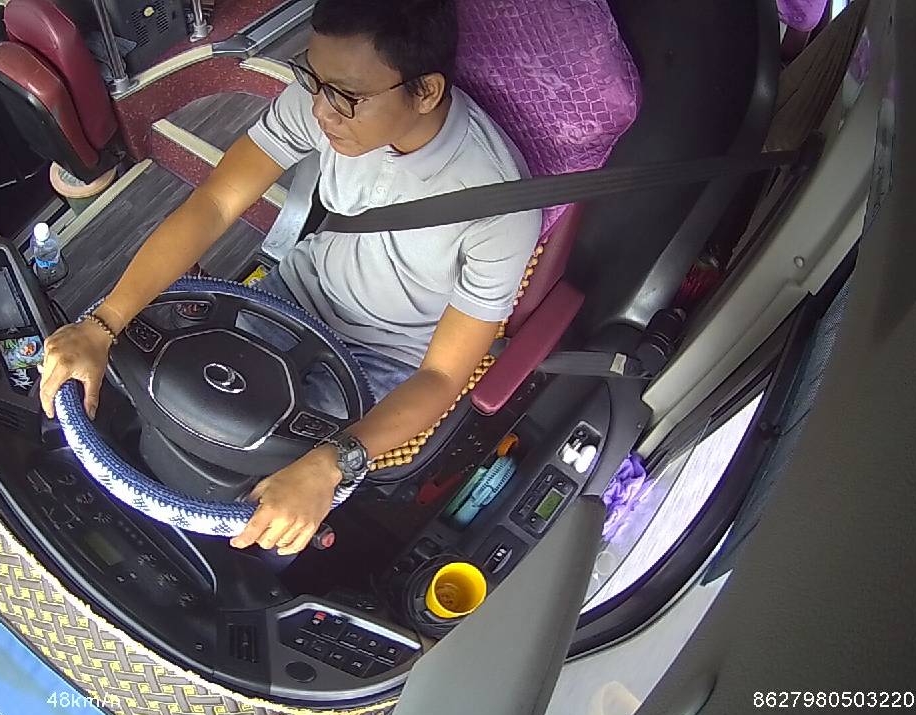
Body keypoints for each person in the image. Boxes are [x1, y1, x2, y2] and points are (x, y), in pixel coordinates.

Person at [38, 0, 540, 559]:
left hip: (383, 358)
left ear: (424, 91)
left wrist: (332, 462)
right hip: (294, 294)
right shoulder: (325, 98)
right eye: (312, 79)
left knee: (260, 498)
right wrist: (102, 322)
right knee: (150, 389)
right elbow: (217, 202)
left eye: (345, 97)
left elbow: (441, 376)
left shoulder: (500, 209)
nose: (321, 111)